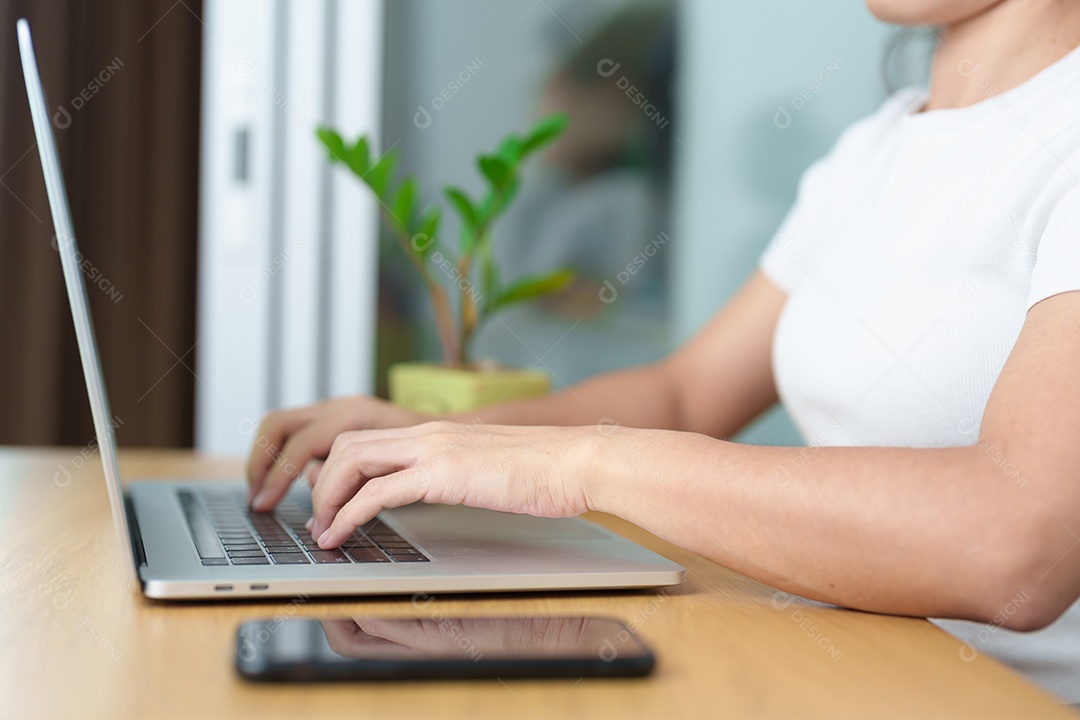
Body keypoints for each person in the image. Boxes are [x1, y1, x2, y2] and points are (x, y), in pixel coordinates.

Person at [246, 0, 1080, 704]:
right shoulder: (878, 146)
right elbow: (688, 391)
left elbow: (1018, 547)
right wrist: (432, 439)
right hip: (833, 671)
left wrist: (584, 466)